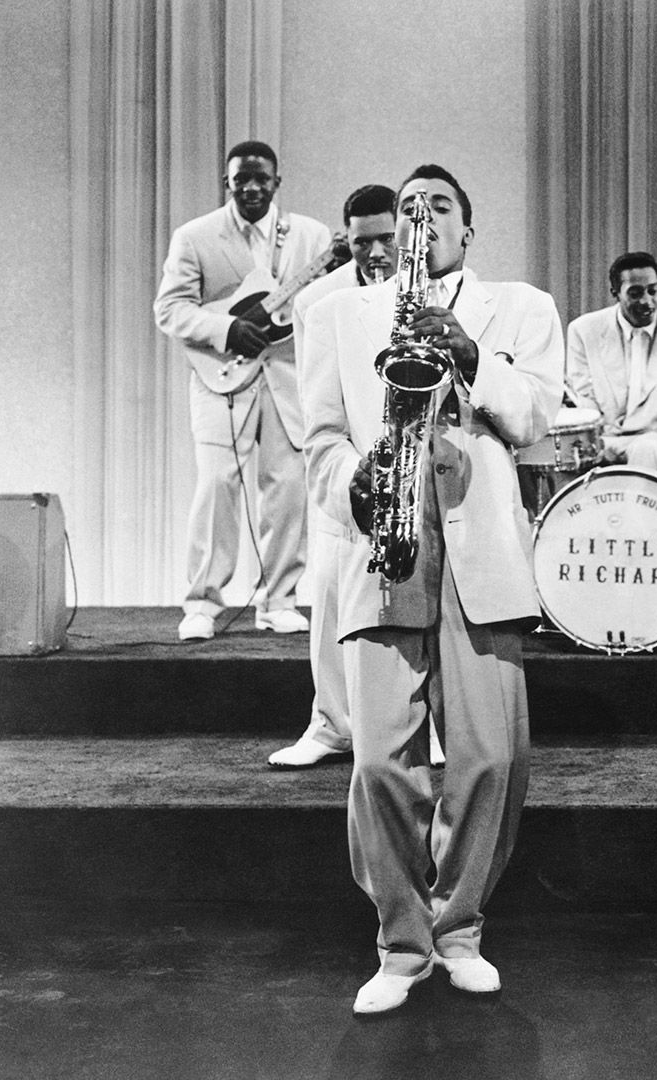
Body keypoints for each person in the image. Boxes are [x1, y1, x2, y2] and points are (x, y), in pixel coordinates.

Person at [298, 164, 563, 1014]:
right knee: (380, 759)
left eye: (439, 205)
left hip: (481, 548)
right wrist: (353, 480)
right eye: (409, 205)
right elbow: (320, 441)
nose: (422, 216)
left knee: (490, 758)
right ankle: (401, 944)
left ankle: (459, 930)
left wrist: (469, 353)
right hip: (385, 544)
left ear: (467, 230)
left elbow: (536, 419)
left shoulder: (521, 306)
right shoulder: (335, 314)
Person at [269, 183, 436, 770]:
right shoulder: (318, 302)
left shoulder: (428, 292)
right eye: (363, 242)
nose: (376, 253)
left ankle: (427, 727)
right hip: (349, 469)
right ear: (347, 241)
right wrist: (348, 476)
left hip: (414, 470)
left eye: (387, 239)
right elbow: (316, 401)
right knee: (331, 600)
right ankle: (330, 726)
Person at [155, 140, 333, 642]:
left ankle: (279, 601)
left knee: (288, 488)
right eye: (241, 180)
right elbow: (169, 309)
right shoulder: (195, 236)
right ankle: (202, 603)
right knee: (216, 486)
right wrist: (225, 329)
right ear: (227, 183)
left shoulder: (313, 236)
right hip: (221, 376)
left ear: (278, 182)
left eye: (261, 179)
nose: (252, 188)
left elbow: (327, 302)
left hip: (288, 378)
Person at [565, 251, 657, 474]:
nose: (647, 301)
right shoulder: (583, 331)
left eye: (652, 291)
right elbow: (585, 401)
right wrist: (598, 446)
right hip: (605, 438)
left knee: (647, 450)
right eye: (635, 294)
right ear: (615, 292)